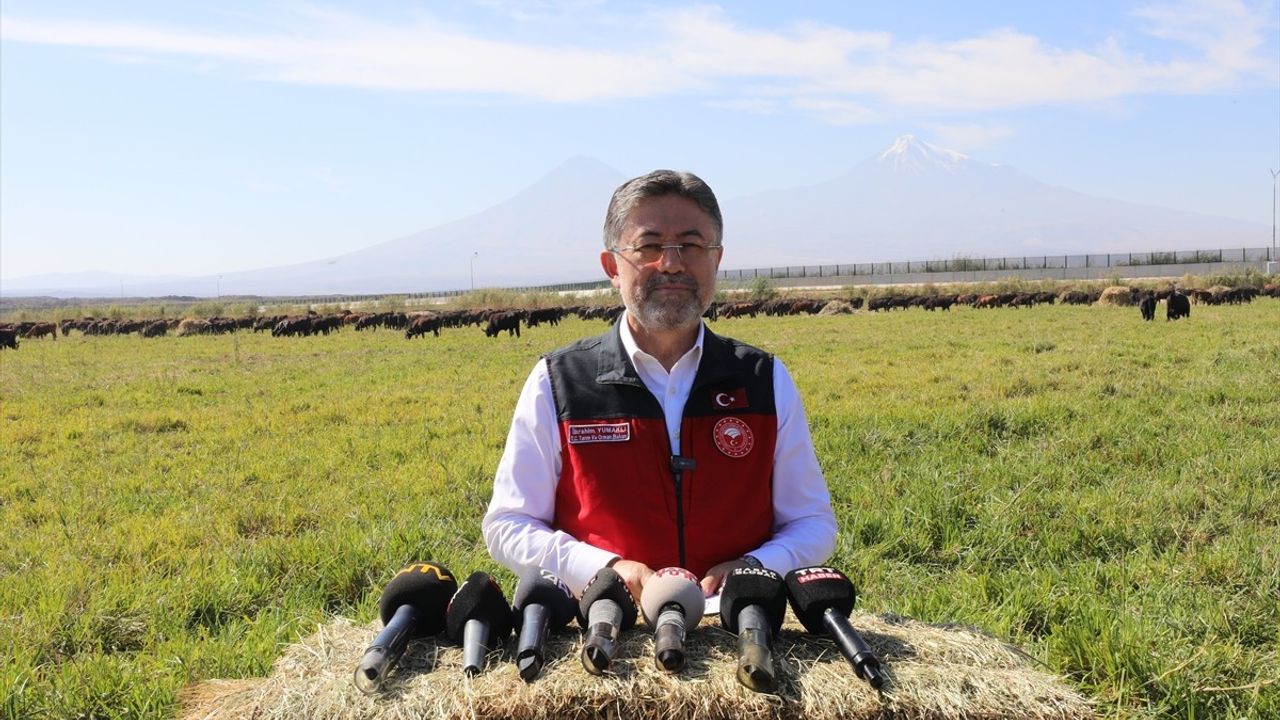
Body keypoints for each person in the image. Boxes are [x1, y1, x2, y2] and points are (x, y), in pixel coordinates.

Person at [482, 169, 836, 602]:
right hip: (605, 628)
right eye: (649, 247)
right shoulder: (558, 382)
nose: (671, 263)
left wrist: (758, 567)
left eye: (690, 245)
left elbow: (812, 522)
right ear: (612, 266)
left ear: (716, 259)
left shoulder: (764, 379)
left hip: (740, 624)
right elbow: (508, 524)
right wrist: (604, 569)